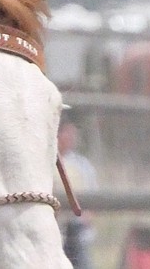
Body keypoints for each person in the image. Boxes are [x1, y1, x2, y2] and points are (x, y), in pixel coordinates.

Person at [56, 114, 98, 269]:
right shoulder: (48, 162)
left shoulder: (82, 164)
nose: (72, 138)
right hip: (57, 226)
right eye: (68, 133)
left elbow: (94, 196)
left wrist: (87, 215)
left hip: (78, 228)